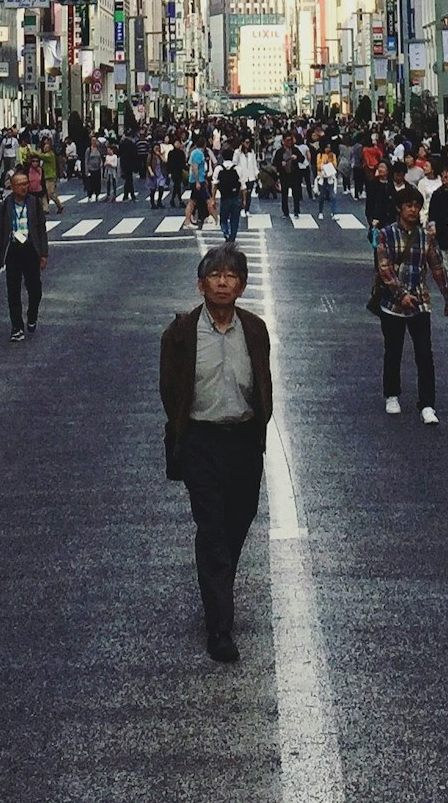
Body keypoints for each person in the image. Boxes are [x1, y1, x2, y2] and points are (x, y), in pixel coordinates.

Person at [159, 243, 272, 663]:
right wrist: (181, 433)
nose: (223, 282)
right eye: (215, 276)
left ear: (241, 285)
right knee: (212, 529)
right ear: (201, 284)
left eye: (231, 276)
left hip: (243, 439)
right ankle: (219, 627)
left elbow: (263, 381)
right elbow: (170, 390)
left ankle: (220, 587)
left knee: (238, 522)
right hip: (202, 442)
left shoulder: (254, 329)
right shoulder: (181, 333)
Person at [373, 186, 448, 421]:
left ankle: (428, 403)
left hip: (420, 301)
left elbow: (438, 268)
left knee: (424, 353)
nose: (413, 210)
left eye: (417, 206)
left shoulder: (425, 237)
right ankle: (392, 394)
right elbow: (385, 269)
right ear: (400, 209)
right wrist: (400, 295)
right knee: (393, 350)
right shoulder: (386, 234)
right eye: (408, 205)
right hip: (392, 304)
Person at [0, 167, 49, 342]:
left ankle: (32, 315)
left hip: (31, 249)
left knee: (35, 288)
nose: (25, 187)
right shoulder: (4, 205)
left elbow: (41, 228)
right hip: (13, 250)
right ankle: (16, 327)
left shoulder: (34, 202)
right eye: (21, 185)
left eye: (27, 184)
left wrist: (43, 253)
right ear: (12, 186)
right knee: (13, 290)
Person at [214, 155, 245, 243]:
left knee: (223, 219)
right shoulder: (238, 169)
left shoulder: (219, 169)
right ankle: (232, 237)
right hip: (235, 197)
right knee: (235, 220)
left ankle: (226, 233)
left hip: (224, 198)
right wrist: (244, 200)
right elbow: (243, 187)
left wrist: (213, 198)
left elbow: (214, 184)